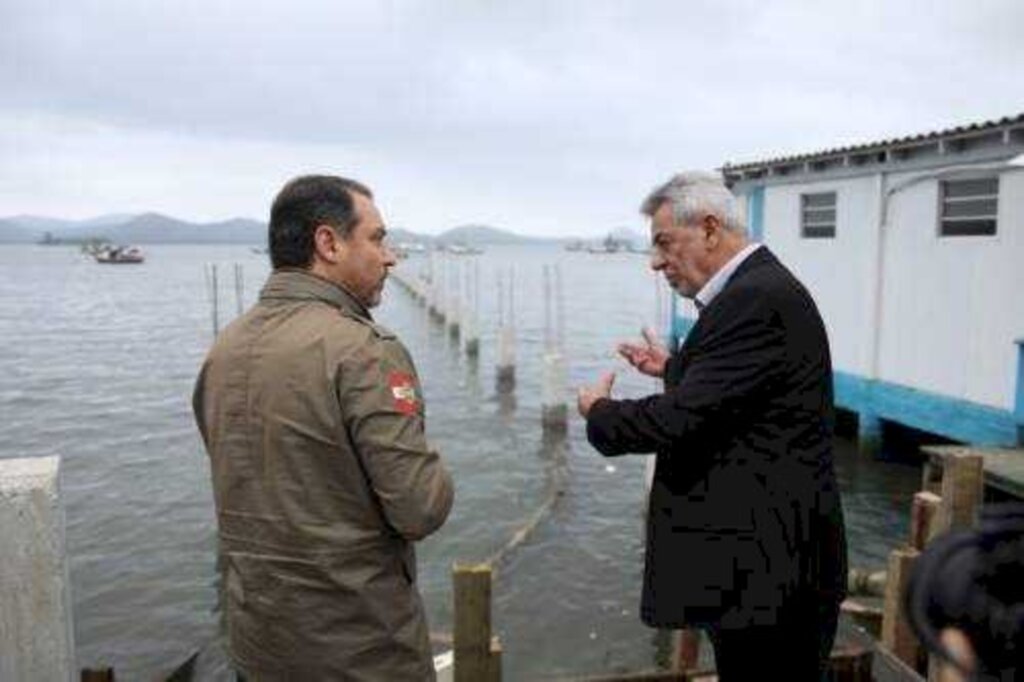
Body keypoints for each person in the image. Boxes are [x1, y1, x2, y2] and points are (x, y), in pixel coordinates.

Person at [577, 171, 847, 681]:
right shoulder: (756, 290)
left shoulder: (754, 299)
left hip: (772, 578)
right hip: (767, 570)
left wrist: (601, 412)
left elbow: (679, 420)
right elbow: (741, 393)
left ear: (708, 229)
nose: (656, 263)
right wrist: (677, 369)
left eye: (662, 244)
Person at [193, 175, 454, 681]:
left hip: (256, 646)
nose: (390, 257)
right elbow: (421, 508)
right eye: (376, 239)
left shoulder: (223, 348)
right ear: (328, 244)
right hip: (360, 653)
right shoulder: (364, 351)